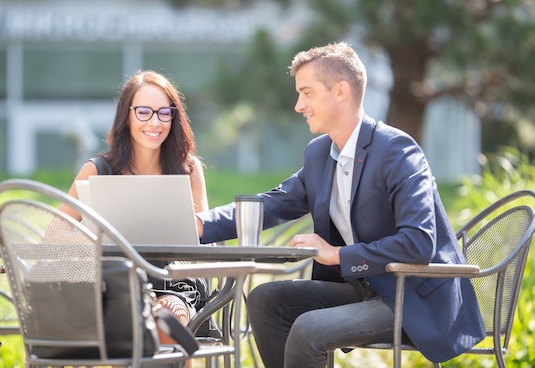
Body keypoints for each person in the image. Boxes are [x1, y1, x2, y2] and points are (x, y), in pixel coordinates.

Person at [196, 42, 486, 367]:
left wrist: (336, 255)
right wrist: (200, 224)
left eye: (306, 93)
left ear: (340, 91)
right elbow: (274, 203)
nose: (298, 105)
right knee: (266, 299)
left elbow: (418, 243)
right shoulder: (319, 154)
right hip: (361, 288)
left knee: (309, 328)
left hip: (413, 298)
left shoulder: (397, 151)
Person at [59, 70, 212, 351]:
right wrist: (101, 242)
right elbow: (55, 234)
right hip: (116, 281)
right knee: (123, 316)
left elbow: (204, 236)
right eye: (144, 112)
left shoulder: (188, 169)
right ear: (126, 116)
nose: (155, 122)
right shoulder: (97, 170)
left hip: (176, 280)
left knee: (165, 319)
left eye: (164, 113)